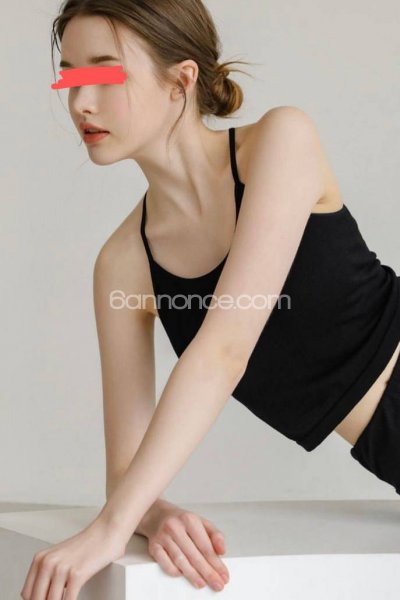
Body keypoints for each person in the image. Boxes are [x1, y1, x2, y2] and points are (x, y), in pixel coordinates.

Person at [21, 1, 400, 599]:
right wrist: (153, 514)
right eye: (70, 77)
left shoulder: (279, 141)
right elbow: (125, 474)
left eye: (104, 74)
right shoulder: (124, 266)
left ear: (181, 80)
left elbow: (224, 350)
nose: (81, 103)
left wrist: (111, 528)